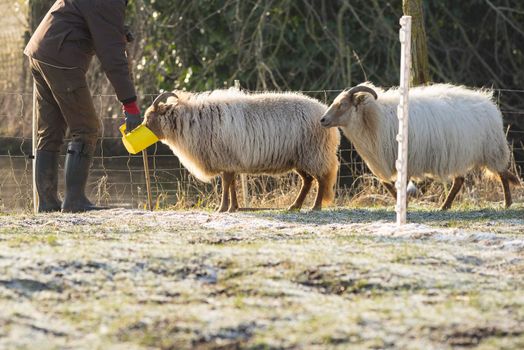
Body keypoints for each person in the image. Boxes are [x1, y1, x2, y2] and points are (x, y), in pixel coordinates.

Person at [24, 0, 142, 213]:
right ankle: (75, 201)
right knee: (86, 128)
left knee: (49, 131)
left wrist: (117, 30)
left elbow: (85, 14)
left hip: (40, 51)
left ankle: (47, 203)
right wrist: (130, 105)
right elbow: (112, 56)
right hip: (61, 58)